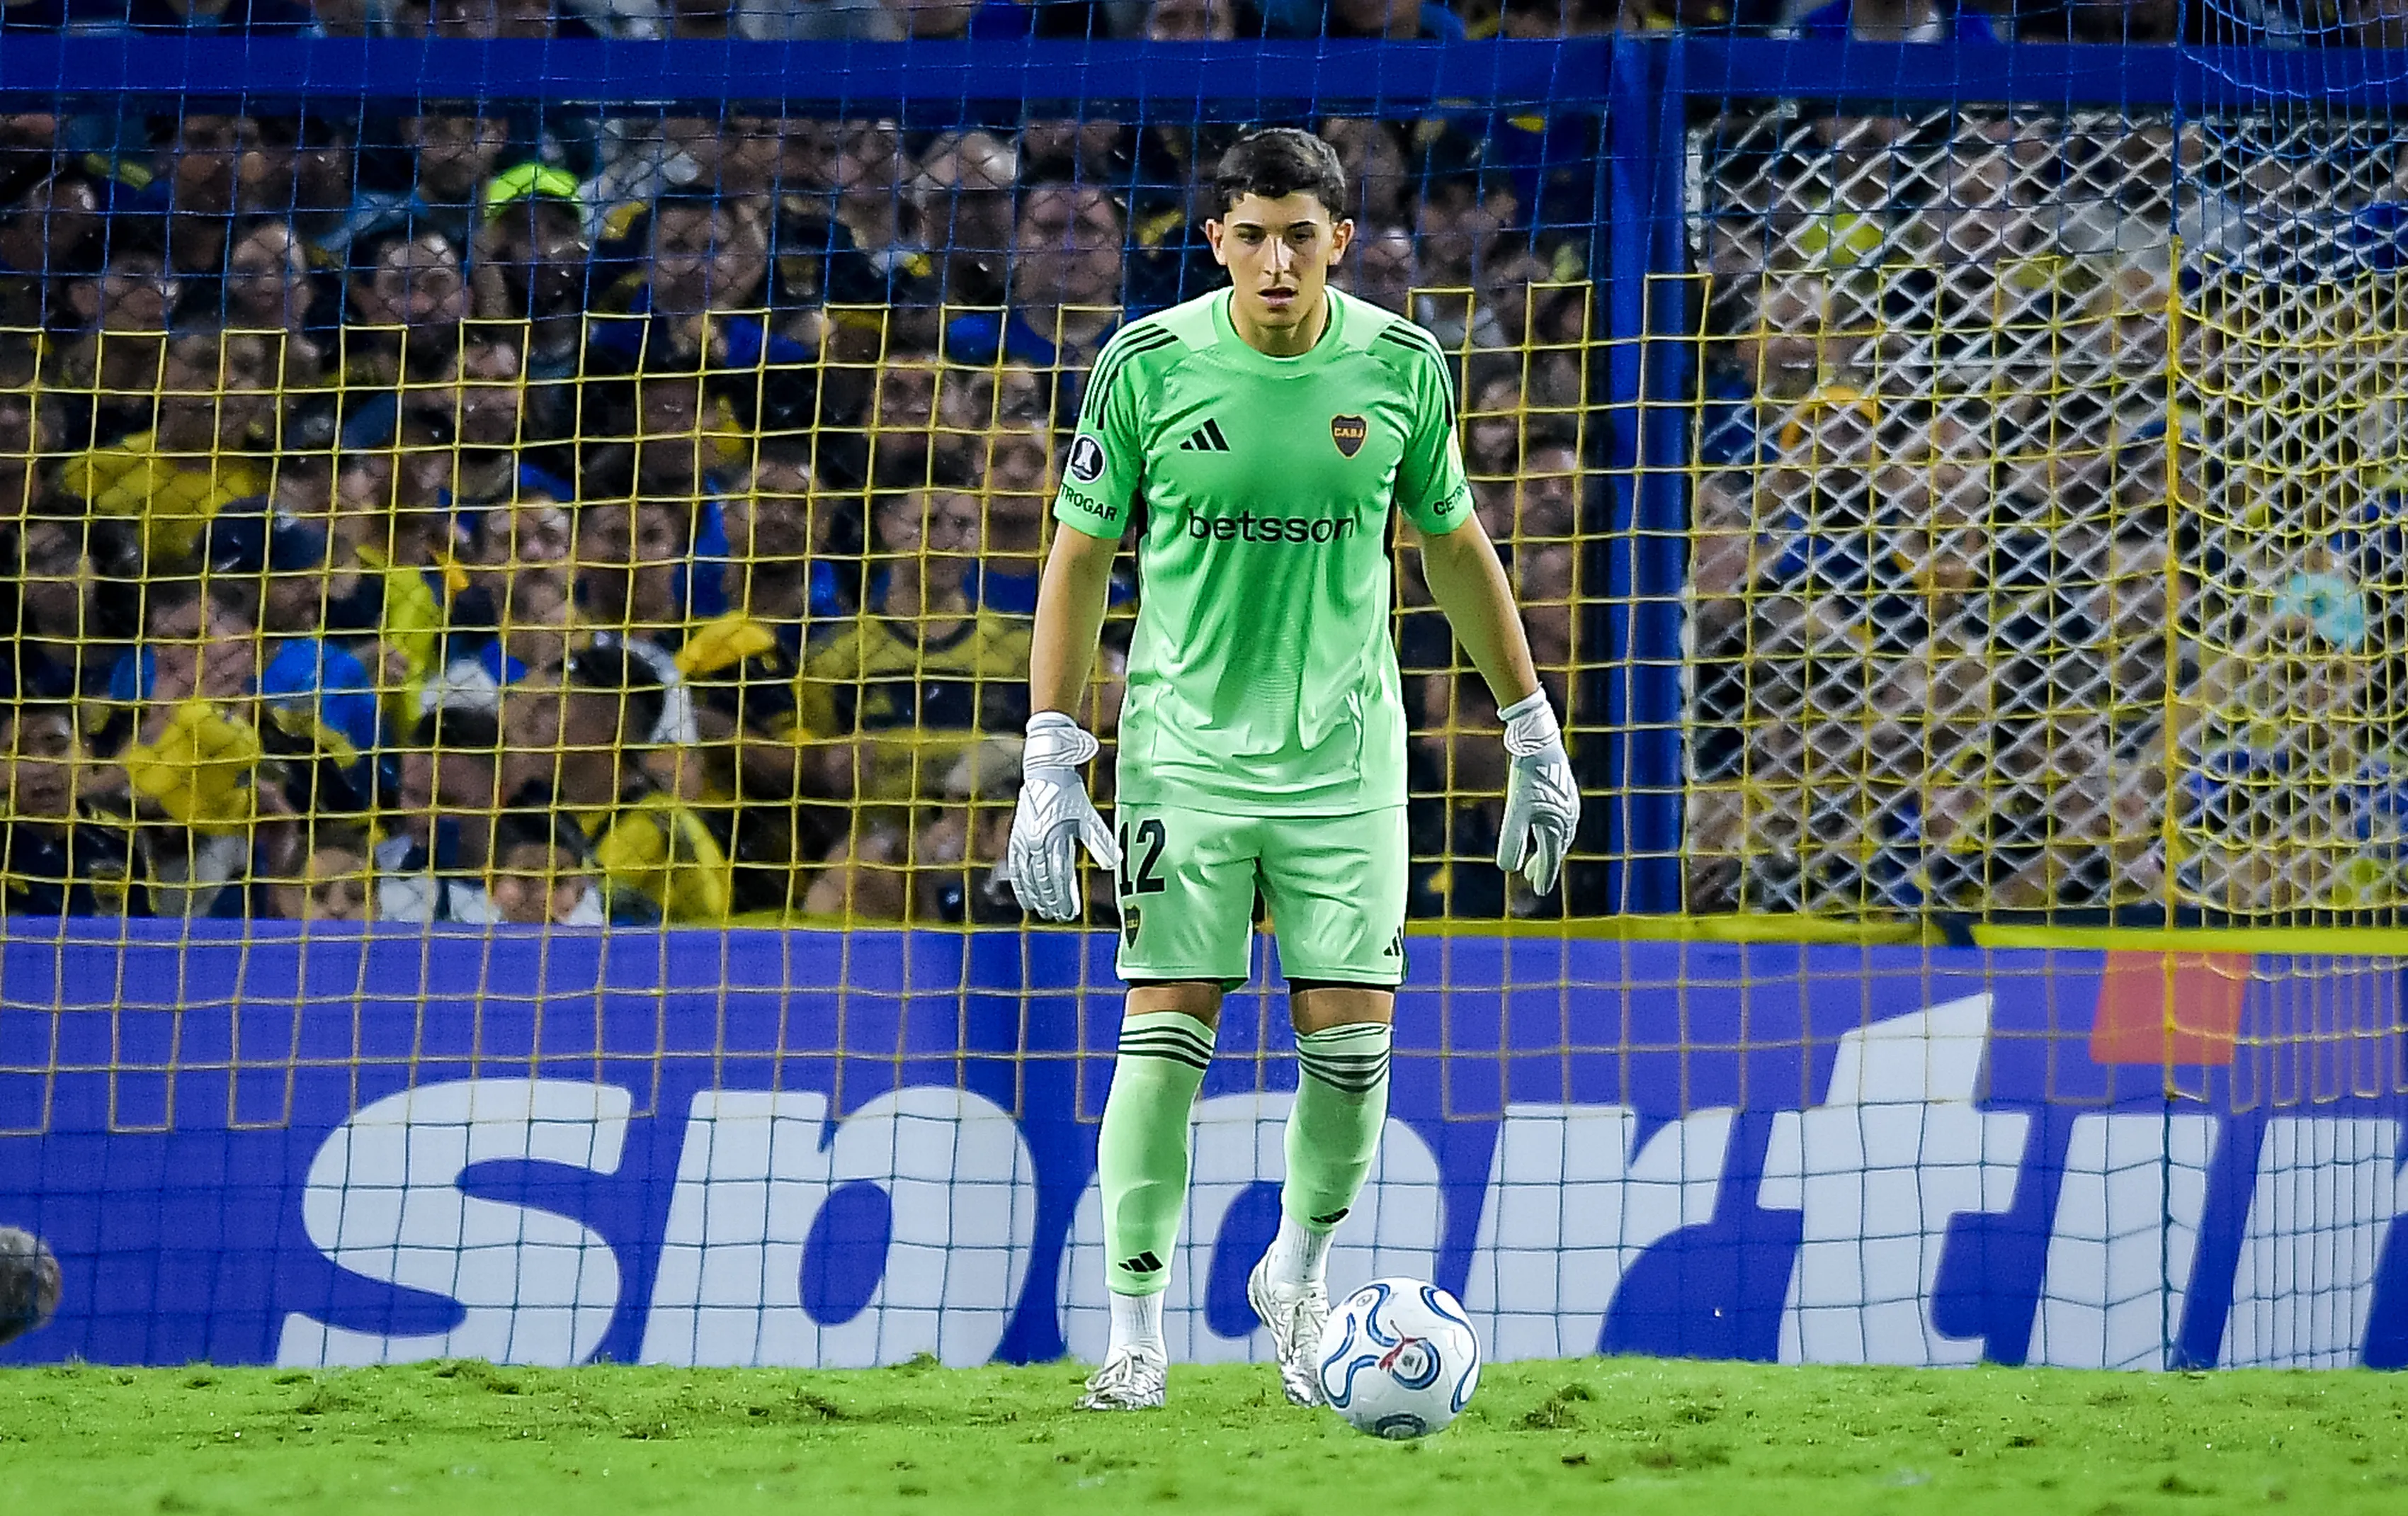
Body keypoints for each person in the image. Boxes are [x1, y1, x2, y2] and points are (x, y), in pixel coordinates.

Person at [1004, 128, 1579, 1412]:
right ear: (1216, 242)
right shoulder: (1143, 365)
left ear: (1341, 243)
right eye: (1252, 235)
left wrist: (1528, 725)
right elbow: (1081, 558)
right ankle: (1136, 1335)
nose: (1276, 260)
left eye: (1300, 236)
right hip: (1183, 754)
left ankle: (1295, 1273)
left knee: (1353, 1045)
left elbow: (1453, 547)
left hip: (1349, 758)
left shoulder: (1403, 364)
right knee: (1167, 1020)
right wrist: (1053, 750)